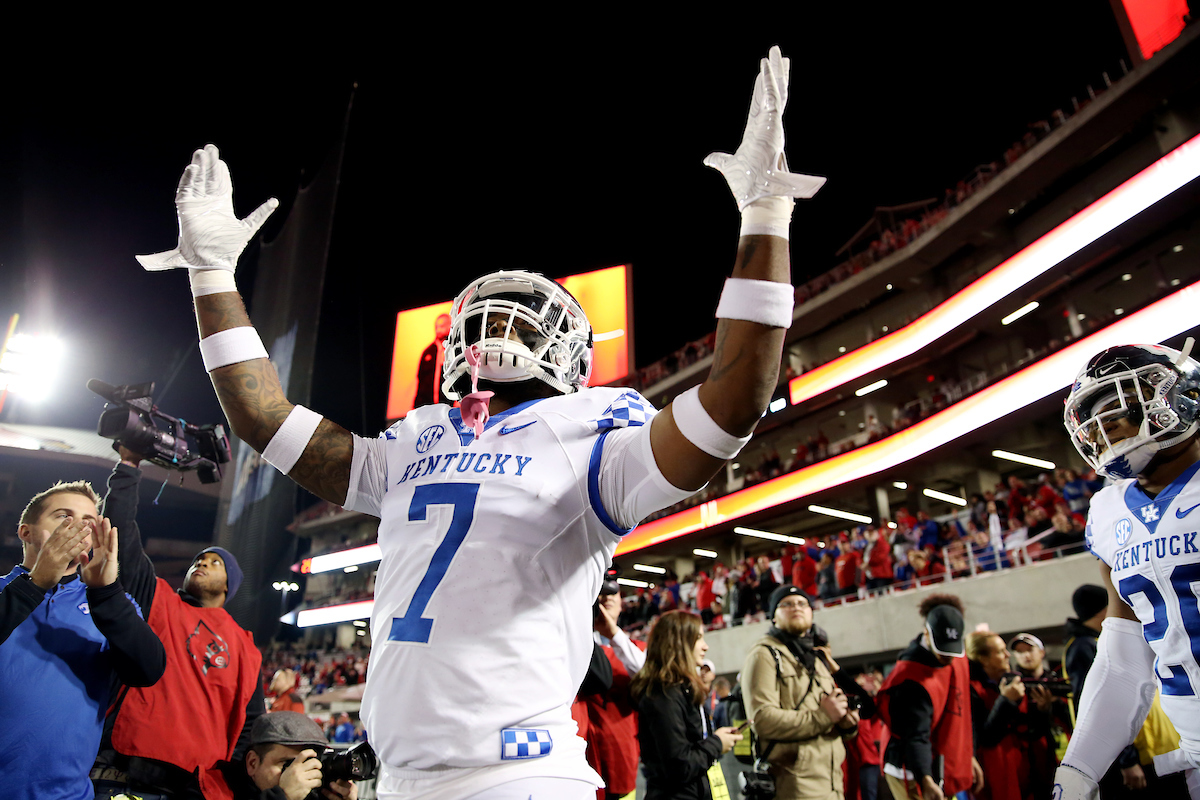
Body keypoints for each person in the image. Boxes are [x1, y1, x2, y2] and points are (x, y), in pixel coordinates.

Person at [142, 45, 824, 800]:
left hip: (519, 776)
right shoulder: (411, 440)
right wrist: (210, 273)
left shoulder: (596, 430)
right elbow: (263, 417)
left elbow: (732, 400)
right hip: (396, 779)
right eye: (491, 317)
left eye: (528, 329)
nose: (503, 329)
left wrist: (766, 212)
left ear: (569, 355)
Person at [1055, 342, 1200, 800]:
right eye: (1093, 429)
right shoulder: (1107, 511)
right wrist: (1079, 767)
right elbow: (1124, 657)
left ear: (1172, 399)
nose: (1101, 437)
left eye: (1112, 416)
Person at [92, 450, 265, 800]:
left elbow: (250, 725)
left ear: (229, 585)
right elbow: (120, 539)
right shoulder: (159, 599)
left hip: (197, 785)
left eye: (215, 562)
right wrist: (128, 467)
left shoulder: (246, 647)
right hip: (125, 769)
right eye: (199, 559)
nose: (202, 563)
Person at [0, 480, 165, 800]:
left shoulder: (112, 604)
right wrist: (34, 585)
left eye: (89, 521)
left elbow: (148, 671)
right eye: (63, 516)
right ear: (26, 532)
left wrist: (107, 593)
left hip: (66, 795)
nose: (77, 527)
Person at [741, 584, 862, 799]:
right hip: (795, 785)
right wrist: (823, 717)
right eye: (786, 604)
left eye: (802, 603)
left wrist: (845, 725)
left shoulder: (816, 657)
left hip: (832, 782)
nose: (796, 607)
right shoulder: (764, 655)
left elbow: (831, 716)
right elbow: (762, 719)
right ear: (774, 617)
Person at [877, 594, 985, 800]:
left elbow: (961, 710)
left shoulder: (957, 658)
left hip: (938, 758)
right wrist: (925, 778)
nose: (947, 656)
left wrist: (967, 755)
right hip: (909, 766)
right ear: (927, 634)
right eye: (942, 649)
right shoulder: (910, 677)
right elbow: (916, 736)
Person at [630, 611, 742, 799]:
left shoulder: (682, 689)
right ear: (678, 642)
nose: (705, 646)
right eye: (698, 638)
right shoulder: (664, 694)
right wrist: (717, 743)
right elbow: (680, 765)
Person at [966, 631, 1054, 800]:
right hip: (996, 782)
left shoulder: (1012, 682)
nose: (1008, 655)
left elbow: (1031, 731)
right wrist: (1006, 701)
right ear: (982, 658)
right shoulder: (971, 690)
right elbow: (985, 738)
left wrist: (1043, 709)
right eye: (1000, 652)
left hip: (1027, 778)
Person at [207, 711, 358, 800]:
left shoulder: (314, 793)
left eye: (308, 763)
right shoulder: (211, 790)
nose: (298, 775)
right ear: (252, 763)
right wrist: (282, 796)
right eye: (287, 764)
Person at [413, 313, 453, 409]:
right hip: (427, 407)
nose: (438, 330)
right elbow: (420, 379)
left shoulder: (454, 348)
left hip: (448, 406)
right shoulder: (428, 352)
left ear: (450, 325)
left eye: (442, 326)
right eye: (437, 327)